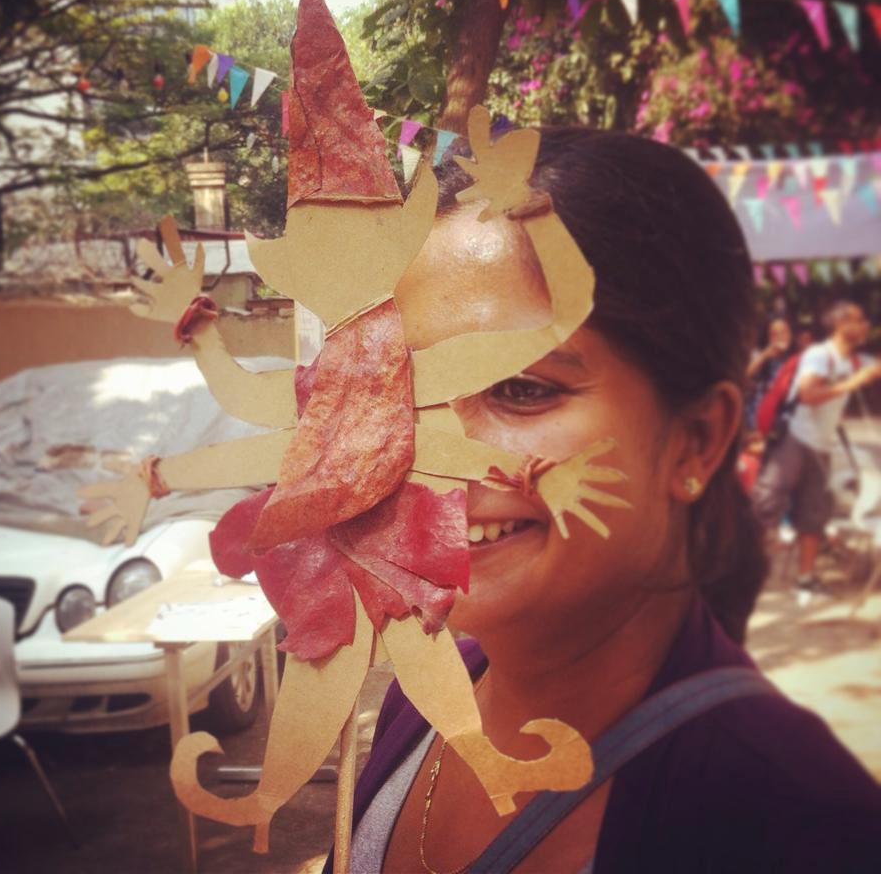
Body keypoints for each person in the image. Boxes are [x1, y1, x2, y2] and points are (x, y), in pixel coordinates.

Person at [324, 130, 881, 873]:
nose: (431, 457)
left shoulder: (803, 824)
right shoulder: (419, 703)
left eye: (521, 389)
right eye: (408, 392)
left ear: (697, 442)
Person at [753, 300, 881, 599]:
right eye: (858, 319)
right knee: (765, 503)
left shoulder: (855, 360)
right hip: (796, 439)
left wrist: (861, 376)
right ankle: (743, 568)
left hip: (821, 446)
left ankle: (806, 578)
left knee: (813, 513)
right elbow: (808, 394)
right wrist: (852, 383)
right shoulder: (819, 355)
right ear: (840, 324)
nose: (864, 325)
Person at [744, 315, 794, 431]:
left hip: (781, 423)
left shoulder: (794, 358)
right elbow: (745, 375)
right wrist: (765, 355)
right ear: (767, 338)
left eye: (784, 331)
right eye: (774, 334)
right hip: (755, 420)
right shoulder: (760, 355)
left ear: (790, 334)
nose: (780, 337)